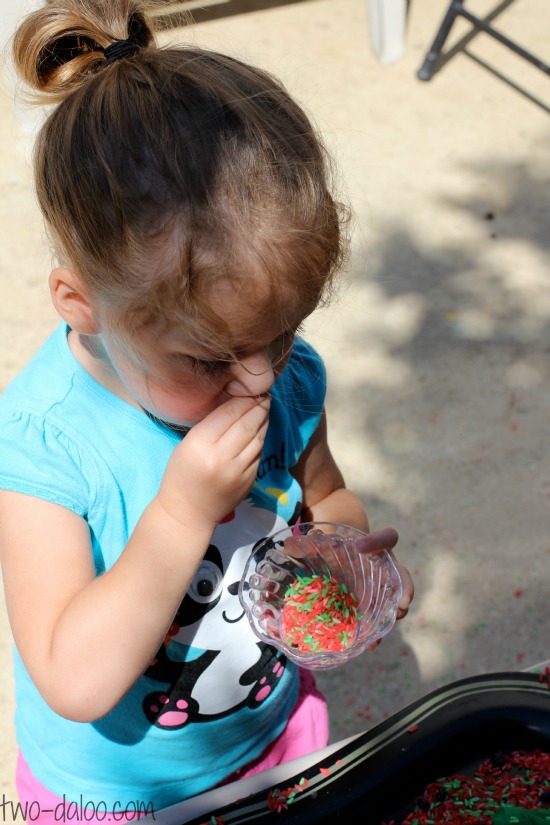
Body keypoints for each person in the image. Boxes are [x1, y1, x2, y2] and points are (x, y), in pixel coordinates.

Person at [0, 0, 414, 817]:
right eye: (208, 357)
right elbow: (72, 677)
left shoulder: (287, 377)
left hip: (274, 738)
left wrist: (339, 552)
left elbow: (325, 493)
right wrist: (182, 510)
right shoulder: (45, 445)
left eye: (283, 333)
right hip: (123, 795)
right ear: (81, 303)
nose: (259, 379)